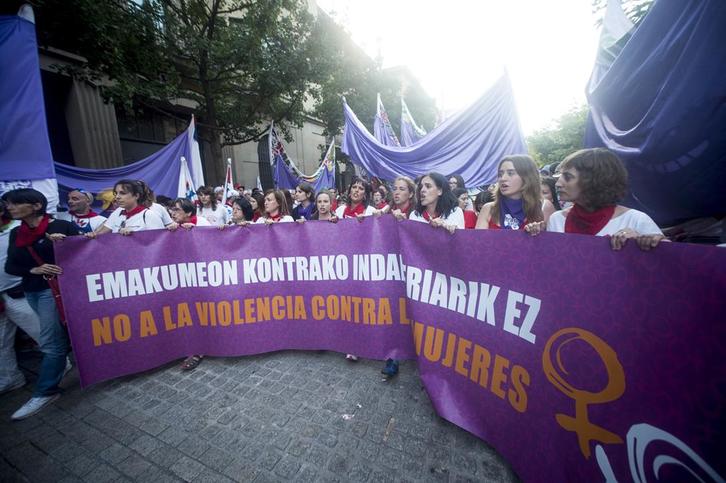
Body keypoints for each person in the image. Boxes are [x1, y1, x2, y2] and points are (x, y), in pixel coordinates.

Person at [3, 189, 80, 420]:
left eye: (15, 204)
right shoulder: (16, 233)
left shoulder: (62, 227)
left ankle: (45, 391)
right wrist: (33, 269)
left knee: (50, 342)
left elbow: (86, 254)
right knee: (55, 337)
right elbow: (11, 267)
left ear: (36, 205)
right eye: (8, 204)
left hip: (55, 292)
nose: (10, 208)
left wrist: (63, 246)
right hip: (32, 291)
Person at [532, 148, 665, 250]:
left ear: (593, 181)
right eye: (559, 176)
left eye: (568, 176)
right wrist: (535, 237)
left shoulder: (636, 220)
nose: (558, 183)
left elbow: (669, 263)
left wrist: (645, 243)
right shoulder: (556, 219)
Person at [0, 198, 41, 396]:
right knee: (1, 344)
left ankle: (60, 366)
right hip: (1, 299)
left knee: (42, 333)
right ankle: (11, 379)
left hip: (20, 293)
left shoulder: (19, 228)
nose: (11, 207)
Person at [475, 155, 551, 230]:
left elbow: (554, 241)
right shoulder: (488, 209)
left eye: (510, 173)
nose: (503, 178)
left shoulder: (543, 206)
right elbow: (478, 241)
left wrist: (538, 235)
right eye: (500, 174)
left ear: (527, 177)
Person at [89, 180, 165, 236]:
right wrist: (92, 235)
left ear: (136, 196)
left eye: (122, 193)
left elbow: (158, 241)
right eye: (116, 193)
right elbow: (100, 233)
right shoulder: (116, 213)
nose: (117, 197)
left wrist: (134, 235)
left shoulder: (149, 215)